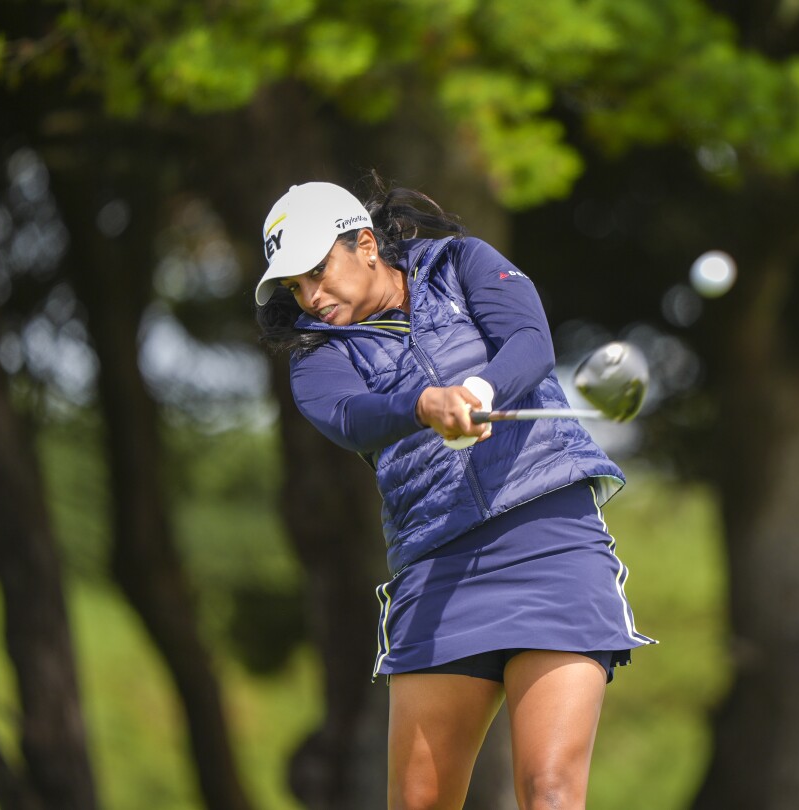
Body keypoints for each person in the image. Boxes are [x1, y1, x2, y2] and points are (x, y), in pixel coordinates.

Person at [254, 177, 655, 810]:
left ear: (363, 244)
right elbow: (352, 415)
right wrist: (423, 403)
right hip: (439, 568)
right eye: (295, 286)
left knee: (550, 792)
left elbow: (529, 343)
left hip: (551, 542)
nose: (310, 295)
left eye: (317, 271)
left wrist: (483, 394)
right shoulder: (315, 354)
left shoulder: (462, 262)